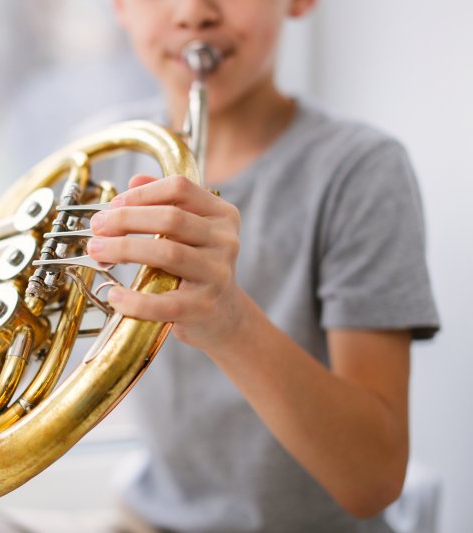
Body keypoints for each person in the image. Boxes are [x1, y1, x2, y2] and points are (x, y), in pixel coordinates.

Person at [76, 0, 441, 532]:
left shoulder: (361, 171)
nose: (193, 12)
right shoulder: (96, 157)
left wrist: (229, 321)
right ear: (120, 7)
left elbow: (373, 480)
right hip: (146, 518)